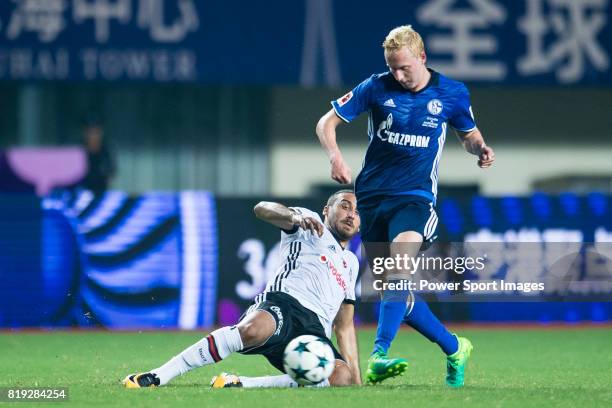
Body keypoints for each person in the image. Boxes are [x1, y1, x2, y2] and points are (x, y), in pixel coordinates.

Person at [316, 25, 495, 387]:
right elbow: (326, 123)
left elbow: (469, 136)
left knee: (399, 268)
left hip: (415, 198)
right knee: (394, 292)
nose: (398, 75)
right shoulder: (376, 86)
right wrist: (335, 157)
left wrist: (481, 150)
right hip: (371, 199)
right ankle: (455, 347)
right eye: (392, 68)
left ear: (422, 58)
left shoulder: (452, 93)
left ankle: (378, 355)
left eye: (404, 68)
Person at [123, 190, 362, 388]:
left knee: (342, 377)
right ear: (326, 210)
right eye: (344, 206)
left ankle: (242, 383)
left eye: (357, 211)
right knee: (252, 329)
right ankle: (159, 375)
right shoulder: (309, 222)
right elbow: (262, 208)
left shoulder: (351, 263)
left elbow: (345, 326)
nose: (351, 214)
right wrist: (295, 218)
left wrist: (357, 382)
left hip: (315, 331)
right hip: (285, 304)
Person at [81, 120, 115, 194]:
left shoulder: (105, 152)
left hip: (100, 191)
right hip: (82, 191)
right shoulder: (79, 150)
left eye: (96, 133)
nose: (93, 136)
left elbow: (111, 171)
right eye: (90, 132)